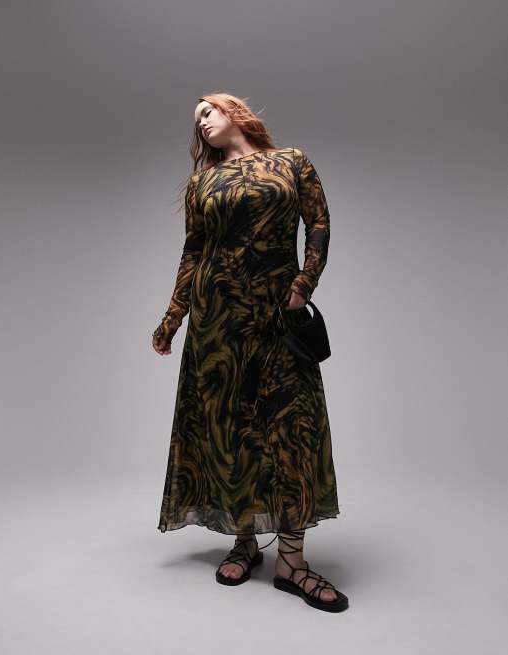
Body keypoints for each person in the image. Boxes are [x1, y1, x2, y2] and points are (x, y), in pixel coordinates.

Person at [152, 91, 348, 612]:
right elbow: (194, 252)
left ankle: (292, 563)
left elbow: (319, 223)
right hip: (217, 320)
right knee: (230, 429)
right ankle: (244, 541)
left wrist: (305, 284)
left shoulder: (291, 161)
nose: (201, 122)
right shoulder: (202, 183)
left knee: (292, 427)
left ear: (234, 111)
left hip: (276, 315)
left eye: (208, 111)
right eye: (196, 119)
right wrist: (172, 318)